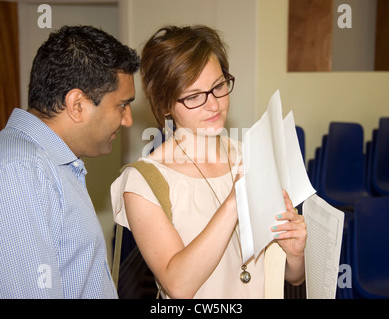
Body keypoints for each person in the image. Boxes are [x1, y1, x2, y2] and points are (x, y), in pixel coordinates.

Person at [110, 25, 306, 299]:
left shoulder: (251, 155)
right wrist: (232, 203)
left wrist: (295, 255)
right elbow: (178, 285)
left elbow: (291, 277)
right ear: (165, 105)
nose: (213, 105)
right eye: (193, 96)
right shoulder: (143, 182)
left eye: (218, 86)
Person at [0, 25, 140, 298]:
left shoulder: (44, 167)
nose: (128, 119)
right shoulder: (17, 172)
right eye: (122, 105)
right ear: (77, 105)